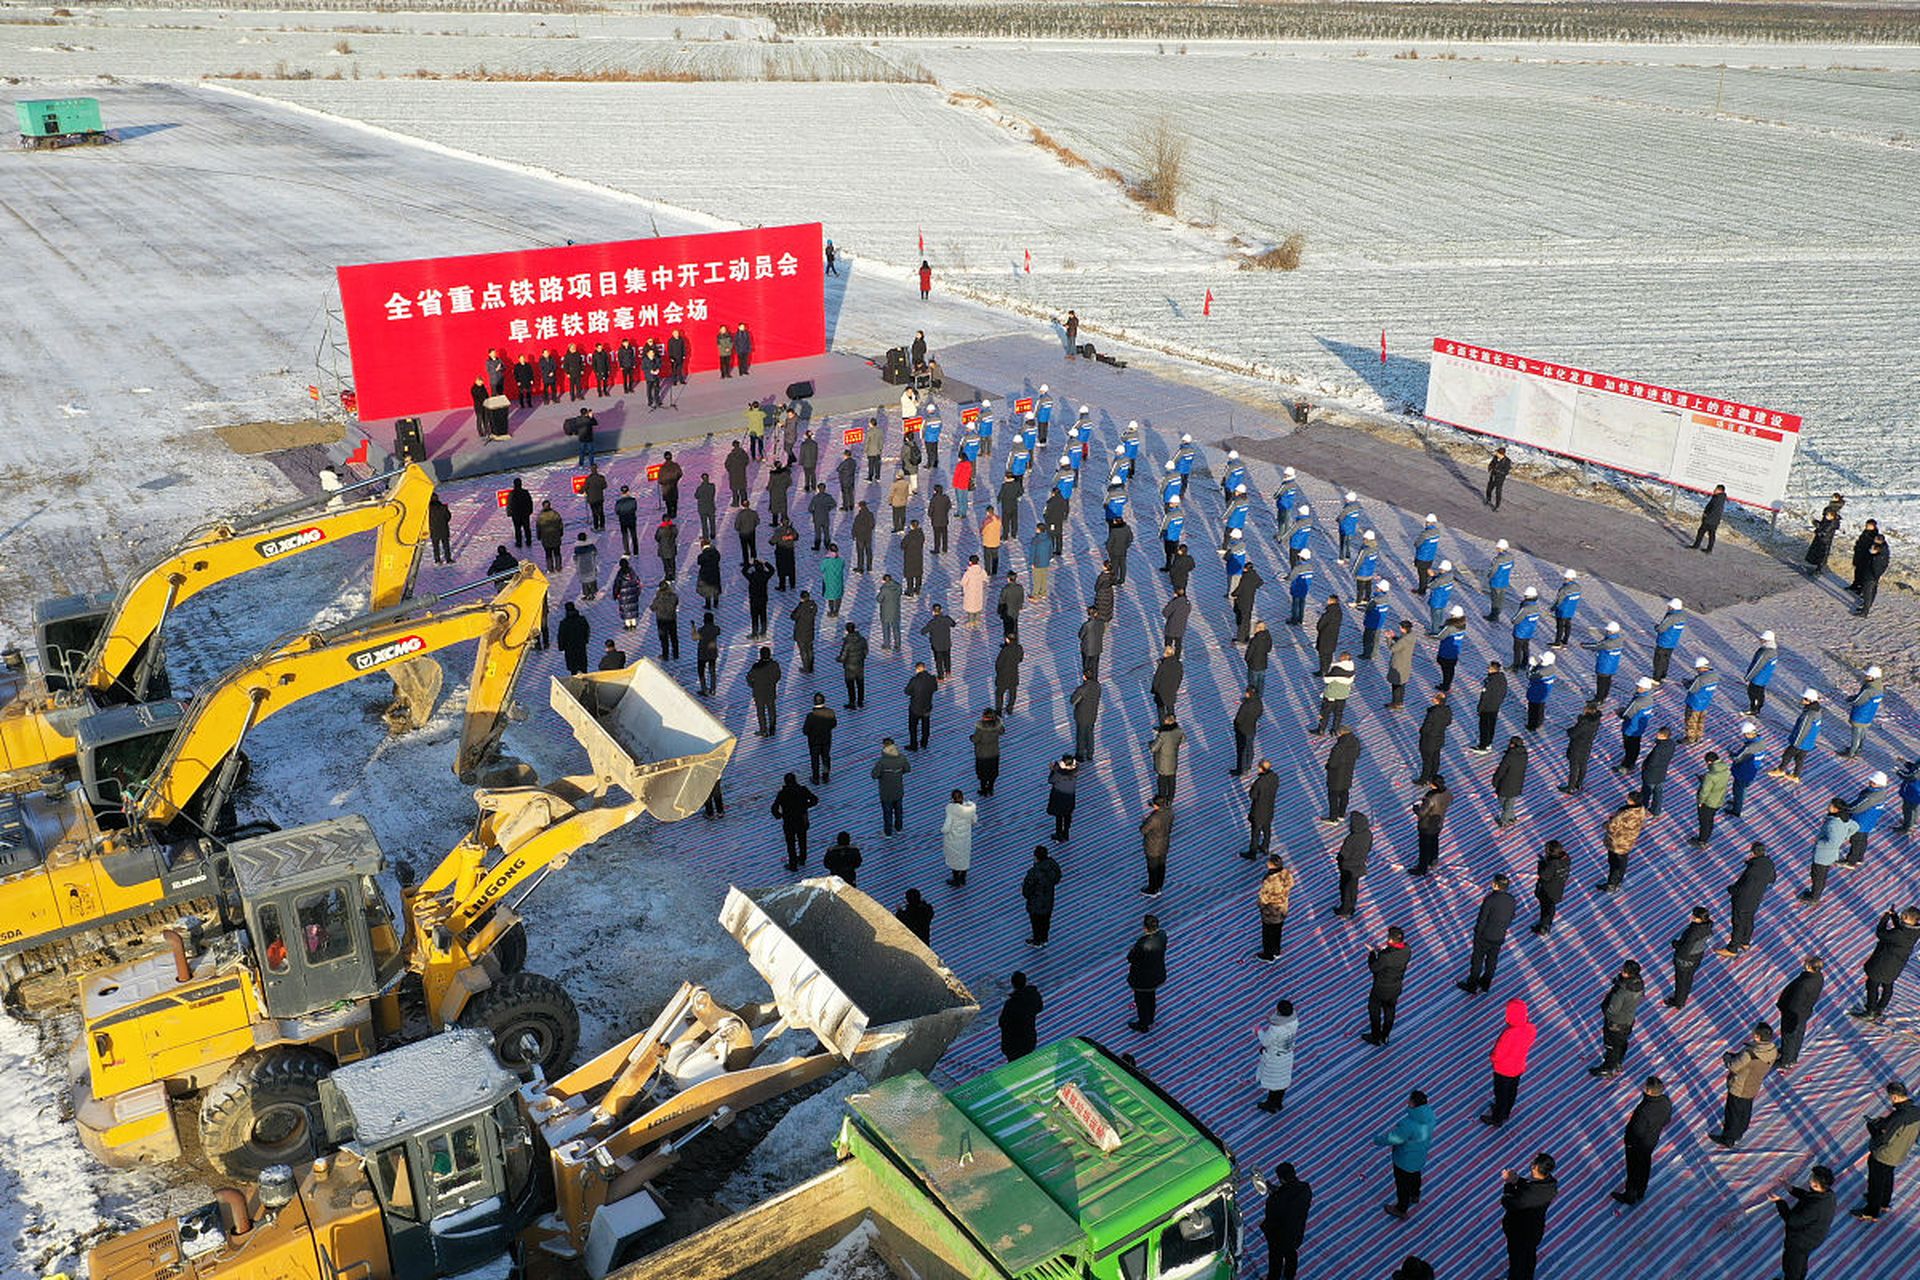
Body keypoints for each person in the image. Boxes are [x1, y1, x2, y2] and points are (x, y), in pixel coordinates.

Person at [1856, 1081, 1920, 1220]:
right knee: (1888, 1176)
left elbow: (1883, 1137)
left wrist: (1872, 1128)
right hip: (1900, 1153)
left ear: (1895, 1097)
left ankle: (1871, 1211)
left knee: (1876, 1183)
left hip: (1884, 1154)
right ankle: (1884, 1202)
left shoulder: (1898, 1116)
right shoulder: (1916, 1112)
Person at [1374, 1090, 1436, 1218]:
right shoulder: (1430, 1115)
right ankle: (1415, 1195)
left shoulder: (1409, 1125)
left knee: (1402, 1184)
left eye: (1409, 1100)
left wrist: (1378, 1140)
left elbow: (1393, 1139)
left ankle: (1401, 1208)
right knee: (1415, 1175)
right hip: (1420, 1155)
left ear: (1413, 1104)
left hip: (1404, 1159)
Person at [1612, 1076, 1671, 1206]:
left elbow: (1636, 1131)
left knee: (1633, 1169)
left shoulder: (1644, 1110)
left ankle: (1630, 1195)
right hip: (1652, 1141)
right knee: (1644, 1165)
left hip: (1637, 1144)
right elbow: (1667, 1120)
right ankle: (1641, 1190)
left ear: (1649, 1091)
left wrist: (1628, 1142)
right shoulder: (1666, 1101)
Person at [1854, 905, 1920, 1021]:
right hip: (1895, 966)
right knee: (1888, 986)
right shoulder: (1915, 931)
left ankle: (1870, 1010)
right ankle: (1880, 1008)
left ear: (1905, 917)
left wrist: (1885, 918)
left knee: (1872, 985)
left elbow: (1881, 933)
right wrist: (1894, 917)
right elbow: (1902, 929)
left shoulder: (1898, 934)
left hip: (1882, 964)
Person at [1500, 1153, 1559, 1280]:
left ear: (1538, 1169)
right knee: (1529, 1257)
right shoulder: (1551, 1185)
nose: (1531, 1166)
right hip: (1535, 1231)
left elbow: (1508, 1202)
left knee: (1516, 1260)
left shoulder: (1528, 1196)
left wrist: (1509, 1183)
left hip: (1519, 1232)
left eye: (1533, 1165)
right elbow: (1532, 1187)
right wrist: (1517, 1180)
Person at [1770, 1165, 1836, 1280]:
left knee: (1791, 1267)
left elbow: (1792, 1220)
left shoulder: (1815, 1207)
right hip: (1812, 1239)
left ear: (1816, 1184)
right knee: (1800, 1263)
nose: (1809, 1178)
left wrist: (1779, 1202)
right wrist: (1791, 1188)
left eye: (1811, 1177)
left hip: (1799, 1242)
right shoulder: (1828, 1195)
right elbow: (1808, 1196)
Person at [1482, 997, 1537, 1127]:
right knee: (1512, 1090)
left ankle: (1497, 1118)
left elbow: (1498, 1053)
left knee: (1500, 1093)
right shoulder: (1531, 1029)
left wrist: (1492, 1057)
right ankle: (1506, 1112)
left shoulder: (1509, 1033)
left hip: (1503, 1069)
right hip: (1518, 1067)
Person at [1717, 841, 1776, 957]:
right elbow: (1772, 879)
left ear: (1753, 853)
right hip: (1756, 899)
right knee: (1749, 920)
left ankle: (1732, 949)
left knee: (1738, 923)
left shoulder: (1752, 870)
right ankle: (1745, 942)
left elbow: (1743, 887)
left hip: (1743, 901)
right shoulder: (1769, 864)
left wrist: (1732, 890)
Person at [1460, 874, 1516, 993]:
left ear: (1496, 885)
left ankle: (1472, 985)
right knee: (1492, 960)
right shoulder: (1511, 899)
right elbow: (1511, 917)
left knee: (1477, 961)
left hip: (1484, 936)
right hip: (1499, 935)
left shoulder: (1490, 899)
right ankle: (1486, 984)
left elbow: (1482, 919)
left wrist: (1477, 933)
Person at [1589, 959, 1645, 1077]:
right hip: (1628, 1020)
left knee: (1611, 1044)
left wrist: (1606, 1009)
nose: (1621, 971)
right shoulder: (1638, 983)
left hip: (1615, 1022)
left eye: (1624, 970)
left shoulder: (1621, 992)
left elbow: (1613, 1010)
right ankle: (1618, 1061)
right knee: (1622, 1042)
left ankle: (1609, 1067)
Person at [1799, 798, 1858, 905]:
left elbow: (1833, 842)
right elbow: (1855, 827)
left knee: (1817, 877)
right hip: (1830, 855)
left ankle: (1814, 898)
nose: (1828, 806)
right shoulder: (1844, 819)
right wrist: (1845, 837)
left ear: (1836, 809)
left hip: (1823, 855)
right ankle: (1815, 894)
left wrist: (1819, 842)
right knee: (1820, 875)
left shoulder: (1833, 824)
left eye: (1831, 805)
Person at [1261, 1163, 1313, 1280]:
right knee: (1291, 1254)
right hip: (1296, 1232)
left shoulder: (1275, 1201)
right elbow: (1288, 1193)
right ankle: (1289, 1276)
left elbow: (1272, 1214)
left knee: (1275, 1259)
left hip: (1279, 1236)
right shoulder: (1305, 1189)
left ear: (1281, 1178)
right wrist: (1276, 1191)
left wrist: (1273, 1195)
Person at [1775, 954, 1824, 1070]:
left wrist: (1787, 1011)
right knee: (1798, 1035)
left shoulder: (1804, 984)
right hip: (1804, 1012)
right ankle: (1792, 1056)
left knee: (1789, 1036)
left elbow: (1795, 1004)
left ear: (1810, 966)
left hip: (1793, 1015)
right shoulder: (1818, 977)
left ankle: (1786, 1060)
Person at [1363, 927, 1410, 1046]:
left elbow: (1374, 967)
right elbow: (1393, 957)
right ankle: (1385, 1036)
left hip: (1381, 989)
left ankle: (1375, 1036)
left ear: (1390, 940)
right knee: (1390, 1011)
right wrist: (1385, 951)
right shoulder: (1407, 950)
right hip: (1395, 988)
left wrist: (1372, 953)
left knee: (1374, 1011)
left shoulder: (1386, 957)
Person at [1595, 792, 1647, 894]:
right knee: (1622, 863)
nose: (1627, 799)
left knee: (1614, 864)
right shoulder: (1641, 810)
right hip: (1628, 841)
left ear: (1632, 801)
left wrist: (1606, 824)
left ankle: (1611, 885)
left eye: (1629, 798)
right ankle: (1618, 881)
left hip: (1618, 842)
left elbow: (1612, 826)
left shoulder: (1625, 813)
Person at [1255, 1000, 1299, 1113]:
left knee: (1274, 1082)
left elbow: (1265, 1041)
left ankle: (1270, 1104)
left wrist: (1258, 1031)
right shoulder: (1294, 1021)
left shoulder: (1276, 1029)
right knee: (1283, 1080)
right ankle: (1278, 1103)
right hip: (1287, 1055)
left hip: (1275, 1057)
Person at [1666, 906, 1713, 1009]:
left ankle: (1679, 1002)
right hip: (1697, 957)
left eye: (1694, 916)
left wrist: (1675, 945)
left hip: (1685, 959)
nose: (1692, 917)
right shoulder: (1708, 926)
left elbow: (1685, 949)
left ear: (1700, 919)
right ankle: (1684, 995)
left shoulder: (1693, 932)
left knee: (1681, 981)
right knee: (1688, 978)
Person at [770, 773, 819, 872]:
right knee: (802, 839)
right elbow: (814, 800)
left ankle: (793, 864)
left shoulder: (782, 793)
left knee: (790, 843)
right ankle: (802, 858)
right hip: (801, 819)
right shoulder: (802, 790)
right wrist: (805, 806)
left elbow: (774, 807)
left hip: (789, 821)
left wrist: (779, 815)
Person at [1126, 915, 1167, 1033]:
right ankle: (1150, 1018)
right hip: (1157, 974)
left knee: (1141, 1001)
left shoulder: (1142, 944)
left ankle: (1143, 1024)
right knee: (1151, 997)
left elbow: (1131, 958)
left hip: (1142, 979)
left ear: (1145, 928)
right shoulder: (1163, 935)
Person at [1333, 811, 1371, 917]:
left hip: (1348, 867)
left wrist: (1339, 860)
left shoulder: (1351, 838)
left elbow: (1344, 853)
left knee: (1345, 889)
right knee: (1353, 888)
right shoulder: (1368, 834)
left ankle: (1344, 909)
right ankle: (1351, 907)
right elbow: (1369, 848)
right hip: (1359, 866)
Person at [1022, 845, 1062, 945]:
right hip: (1048, 899)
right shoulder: (1052, 866)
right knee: (1045, 920)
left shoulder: (1034, 872)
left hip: (1036, 901)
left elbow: (1027, 889)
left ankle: (1037, 940)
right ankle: (1044, 938)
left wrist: (1027, 894)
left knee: (1036, 922)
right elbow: (1057, 877)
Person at [997, 972, 1042, 1061]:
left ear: (1013, 984)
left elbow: (1002, 1022)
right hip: (1029, 1038)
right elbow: (1039, 1008)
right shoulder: (1033, 997)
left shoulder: (1011, 1004)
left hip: (1013, 1044)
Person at [1257, 854, 1293, 962]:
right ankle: (1276, 951)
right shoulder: (1286, 873)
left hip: (1271, 911)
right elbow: (1291, 884)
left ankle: (1268, 955)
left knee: (1268, 933)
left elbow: (1264, 898)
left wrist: (1261, 905)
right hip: (1282, 908)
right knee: (1277, 931)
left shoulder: (1270, 880)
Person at [872, 737, 911, 835]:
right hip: (898, 790)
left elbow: (874, 775)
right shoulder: (902, 758)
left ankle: (888, 832)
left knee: (887, 813)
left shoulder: (881, 762)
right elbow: (907, 769)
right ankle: (899, 828)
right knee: (898, 811)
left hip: (886, 792)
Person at [1531, 840, 1570, 936]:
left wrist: (1541, 864)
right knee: (1551, 907)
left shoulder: (1553, 864)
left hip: (1548, 890)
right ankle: (1547, 924)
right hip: (1558, 888)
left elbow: (1544, 876)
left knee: (1546, 908)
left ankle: (1544, 927)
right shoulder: (1566, 859)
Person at [1561, 700, 1601, 795]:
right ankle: (1579, 783)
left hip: (1577, 747)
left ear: (1588, 710)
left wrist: (1570, 730)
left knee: (1574, 767)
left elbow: (1573, 733)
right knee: (1583, 765)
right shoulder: (1595, 720)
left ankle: (1570, 787)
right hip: (1587, 746)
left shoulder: (1585, 722)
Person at [1692, 751, 1731, 847]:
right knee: (1710, 819)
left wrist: (1700, 801)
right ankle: (1707, 836)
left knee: (1704, 821)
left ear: (1709, 762)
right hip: (1719, 799)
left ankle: (1702, 841)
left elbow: (1705, 791)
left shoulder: (1710, 776)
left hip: (1709, 802)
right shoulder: (1726, 769)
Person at [1243, 759, 1280, 861]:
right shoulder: (1275, 777)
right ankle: (1265, 846)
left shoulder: (1259, 782)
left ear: (1261, 768)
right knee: (1267, 829)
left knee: (1255, 832)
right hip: (1269, 809)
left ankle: (1252, 852)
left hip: (1258, 811)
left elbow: (1252, 795)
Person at [942, 789, 977, 887]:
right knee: (964, 859)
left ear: (952, 799)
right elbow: (974, 820)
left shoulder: (951, 810)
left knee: (954, 860)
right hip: (965, 839)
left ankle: (956, 880)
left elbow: (947, 827)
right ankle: (963, 879)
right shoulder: (969, 808)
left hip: (953, 840)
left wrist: (943, 830)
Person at [1140, 796, 1174, 897]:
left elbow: (1143, 830)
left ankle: (1152, 889)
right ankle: (1159, 886)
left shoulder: (1154, 818)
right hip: (1164, 844)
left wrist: (1144, 822)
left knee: (1152, 868)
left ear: (1156, 805)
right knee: (1161, 866)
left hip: (1153, 846)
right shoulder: (1169, 812)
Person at [745, 645, 781, 737]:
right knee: (772, 710)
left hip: (759, 692)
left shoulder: (756, 666)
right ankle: (772, 729)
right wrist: (773, 683)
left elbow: (749, 678)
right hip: (770, 691)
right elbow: (778, 676)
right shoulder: (774, 665)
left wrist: (753, 686)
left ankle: (763, 730)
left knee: (761, 712)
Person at [1414, 693, 1450, 785]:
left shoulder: (1433, 713)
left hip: (1428, 740)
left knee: (1427, 761)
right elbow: (1448, 722)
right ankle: (1433, 776)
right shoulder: (1447, 711)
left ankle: (1423, 779)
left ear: (1437, 701)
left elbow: (1426, 727)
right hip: (1439, 739)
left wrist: (1422, 731)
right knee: (1435, 759)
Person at [1493, 736, 1528, 826]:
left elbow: (1501, 771)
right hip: (1517, 783)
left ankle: (1504, 821)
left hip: (1506, 784)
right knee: (1511, 802)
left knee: (1504, 803)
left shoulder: (1509, 757)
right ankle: (1511, 817)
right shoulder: (1524, 755)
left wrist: (1495, 781)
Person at [802, 693, 836, 784]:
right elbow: (834, 724)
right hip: (826, 739)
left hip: (814, 741)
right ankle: (825, 776)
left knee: (815, 759)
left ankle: (815, 778)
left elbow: (805, 730)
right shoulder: (830, 712)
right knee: (826, 757)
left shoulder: (811, 716)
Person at [1149, 715, 1184, 803]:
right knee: (1172, 781)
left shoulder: (1163, 734)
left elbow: (1154, 748)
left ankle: (1162, 799)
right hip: (1173, 760)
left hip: (1162, 762)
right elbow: (1183, 739)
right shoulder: (1179, 731)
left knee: (1162, 781)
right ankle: (1170, 799)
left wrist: (1151, 743)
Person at [905, 661, 938, 752]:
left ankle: (914, 745)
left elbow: (907, 691)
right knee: (926, 726)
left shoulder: (914, 680)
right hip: (927, 707)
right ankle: (924, 743)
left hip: (915, 708)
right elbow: (935, 689)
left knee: (913, 728)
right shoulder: (932, 678)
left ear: (917, 669)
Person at [1232, 686, 1264, 776]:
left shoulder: (1246, 705)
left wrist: (1236, 725)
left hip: (1242, 730)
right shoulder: (1258, 701)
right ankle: (1248, 766)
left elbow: (1239, 719)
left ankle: (1241, 770)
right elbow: (1260, 712)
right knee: (1249, 748)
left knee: (1242, 750)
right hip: (1252, 728)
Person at [1070, 673, 1102, 763]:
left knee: (1081, 735)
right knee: (1090, 733)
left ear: (1084, 677)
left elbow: (1073, 701)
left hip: (1082, 715)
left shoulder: (1082, 689)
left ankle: (1080, 755)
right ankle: (1090, 754)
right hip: (1092, 714)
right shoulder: (1097, 686)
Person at [1047, 754, 1079, 842]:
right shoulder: (1075, 771)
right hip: (1070, 797)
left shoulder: (1059, 773)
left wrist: (1053, 770)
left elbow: (1051, 780)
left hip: (1059, 797)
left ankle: (1059, 834)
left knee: (1059, 817)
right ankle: (1066, 833)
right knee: (1067, 816)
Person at [556, 600, 590, 675]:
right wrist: (585, 640)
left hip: (570, 649)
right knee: (583, 667)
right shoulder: (582, 620)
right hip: (581, 646)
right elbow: (586, 630)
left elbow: (561, 636)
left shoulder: (564, 623)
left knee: (573, 668)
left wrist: (561, 647)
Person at [921, 604, 955, 679]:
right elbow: (953, 624)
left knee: (939, 662)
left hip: (937, 646)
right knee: (947, 659)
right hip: (946, 644)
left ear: (933, 612)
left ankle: (940, 676)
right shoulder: (947, 619)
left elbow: (923, 631)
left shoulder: (932, 622)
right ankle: (948, 672)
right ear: (941, 610)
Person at [692, 609, 721, 695]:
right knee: (712, 671)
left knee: (701, 671)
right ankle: (713, 688)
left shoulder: (701, 630)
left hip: (702, 653)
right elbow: (718, 631)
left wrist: (693, 627)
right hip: (712, 652)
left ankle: (704, 688)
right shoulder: (716, 629)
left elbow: (694, 638)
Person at [1692, 483, 1728, 551]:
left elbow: (1713, 509)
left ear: (1720, 490)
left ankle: (1696, 545)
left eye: (1716, 489)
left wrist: (1706, 515)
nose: (1714, 490)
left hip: (1710, 520)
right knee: (1711, 534)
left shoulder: (1717, 498)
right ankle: (1709, 549)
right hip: (1715, 520)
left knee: (1701, 532)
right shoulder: (1720, 497)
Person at [791, 590, 818, 673]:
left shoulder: (801, 607)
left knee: (803, 651)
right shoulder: (813, 605)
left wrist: (799, 605)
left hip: (801, 632)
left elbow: (793, 616)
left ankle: (806, 668)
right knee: (810, 649)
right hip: (810, 631)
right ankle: (811, 667)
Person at [536, 499, 566, 571]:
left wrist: (539, 536)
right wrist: (561, 533)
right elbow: (560, 525)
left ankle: (550, 568)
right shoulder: (555, 514)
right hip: (556, 536)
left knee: (548, 553)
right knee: (557, 552)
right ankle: (558, 567)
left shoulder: (540, 517)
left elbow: (538, 528)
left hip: (546, 538)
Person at [426, 493, 453, 564]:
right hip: (444, 529)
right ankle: (448, 559)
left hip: (433, 530)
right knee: (446, 545)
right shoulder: (443, 507)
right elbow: (448, 517)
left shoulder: (428, 509)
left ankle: (437, 560)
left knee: (436, 547)